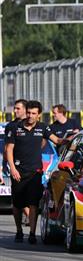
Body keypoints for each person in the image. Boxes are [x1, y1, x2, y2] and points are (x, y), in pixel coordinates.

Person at [5, 100, 64, 244]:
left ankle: (32, 233)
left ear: (39, 115)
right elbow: (9, 149)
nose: (30, 116)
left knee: (33, 203)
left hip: (35, 172)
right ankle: (19, 231)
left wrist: (73, 139)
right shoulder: (15, 127)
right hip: (18, 172)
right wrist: (12, 168)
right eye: (29, 113)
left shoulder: (43, 128)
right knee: (18, 204)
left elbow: (57, 141)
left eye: (34, 113)